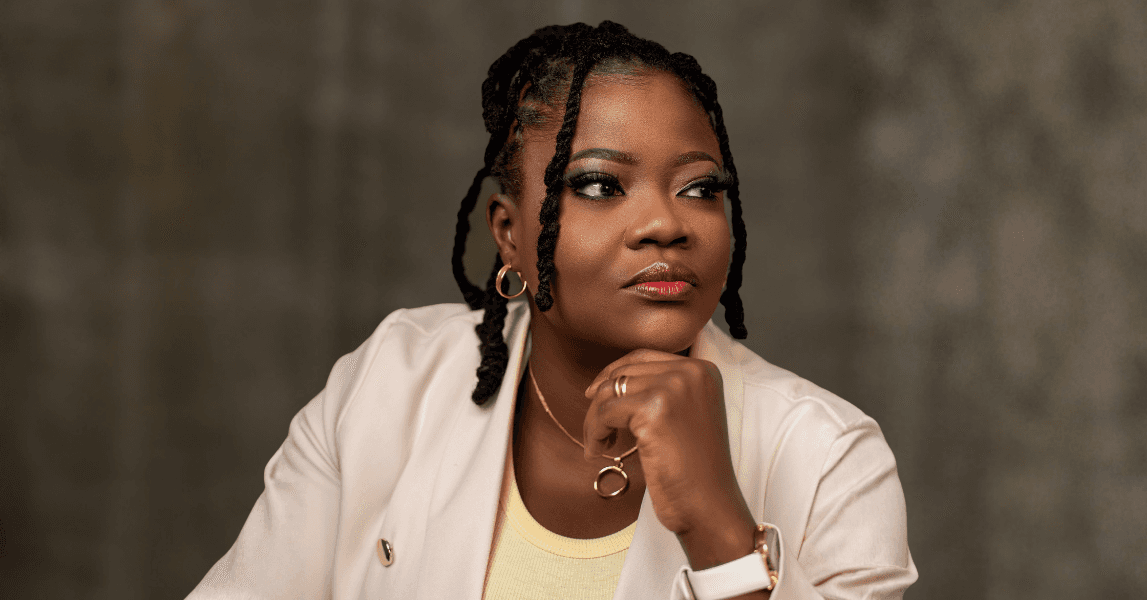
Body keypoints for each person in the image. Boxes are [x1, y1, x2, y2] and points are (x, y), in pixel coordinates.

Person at [187, 21, 916, 600]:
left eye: (700, 188)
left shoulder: (831, 460)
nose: (667, 223)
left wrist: (718, 530)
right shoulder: (390, 383)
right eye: (600, 185)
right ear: (509, 233)